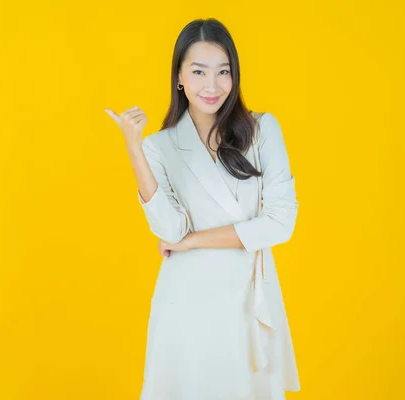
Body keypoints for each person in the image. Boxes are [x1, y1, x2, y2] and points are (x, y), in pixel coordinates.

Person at [105, 18, 300, 400]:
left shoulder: (262, 130)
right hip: (186, 301)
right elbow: (169, 229)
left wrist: (193, 242)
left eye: (223, 72)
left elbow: (280, 223)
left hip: (248, 295)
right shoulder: (158, 147)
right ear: (179, 76)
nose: (212, 86)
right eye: (199, 72)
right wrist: (133, 148)